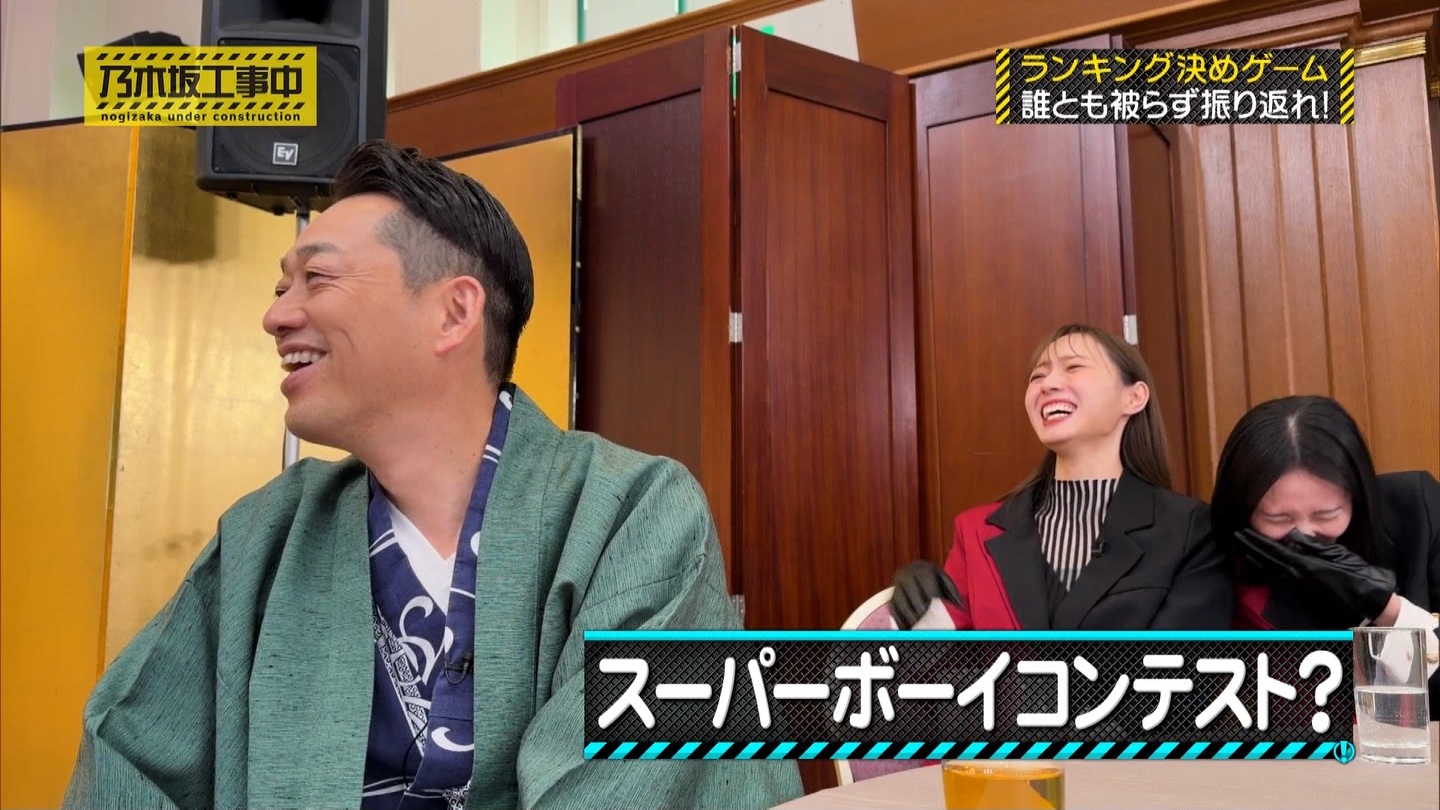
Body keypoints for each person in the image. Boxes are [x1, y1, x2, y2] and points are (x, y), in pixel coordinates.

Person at [63, 141, 803, 810]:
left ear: (453, 313)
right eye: (282, 286)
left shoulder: (634, 513)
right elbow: (126, 756)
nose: (276, 316)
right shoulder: (264, 537)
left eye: (316, 278)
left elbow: (626, 788)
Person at [889, 324, 1233, 631]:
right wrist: (916, 615)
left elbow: (1182, 670)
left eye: (1074, 367)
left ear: (1133, 397)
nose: (1048, 384)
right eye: (1037, 376)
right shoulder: (976, 531)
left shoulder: (1191, 529)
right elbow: (944, 665)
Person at [1212, 395, 1439, 717]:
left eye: (1326, 515)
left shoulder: (1417, 514)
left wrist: (1385, 607)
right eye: (1278, 518)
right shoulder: (1217, 564)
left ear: (1356, 496)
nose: (1303, 534)